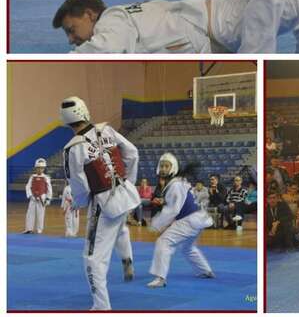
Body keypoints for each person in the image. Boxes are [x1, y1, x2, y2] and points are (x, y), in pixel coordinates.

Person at [61, 96, 138, 310]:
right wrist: (127, 182)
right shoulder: (107, 130)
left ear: (65, 120)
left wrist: (81, 202)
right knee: (120, 229)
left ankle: (101, 307)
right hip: (126, 193)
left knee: (92, 258)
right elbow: (132, 153)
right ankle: (127, 258)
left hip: (104, 202)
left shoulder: (73, 148)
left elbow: (79, 184)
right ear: (85, 111)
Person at [52, 0, 250, 53]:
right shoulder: (126, 19)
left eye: (71, 29)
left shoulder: (111, 18)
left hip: (221, 20)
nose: (71, 39)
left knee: (280, 2)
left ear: (89, 15)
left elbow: (108, 49)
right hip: (220, 27)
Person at [146, 153, 214, 288]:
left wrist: (156, 224)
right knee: (187, 248)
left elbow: (173, 210)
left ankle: (160, 278)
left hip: (189, 220)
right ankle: (205, 270)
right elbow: (178, 202)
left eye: (167, 166)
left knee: (163, 242)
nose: (164, 169)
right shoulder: (178, 182)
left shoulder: (175, 184)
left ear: (173, 168)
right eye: (162, 166)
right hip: (198, 218)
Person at [24, 158, 52, 234]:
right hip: (33, 198)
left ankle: (39, 229)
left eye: (42, 168)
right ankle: (29, 228)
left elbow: (49, 188)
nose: (40, 170)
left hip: (42, 198)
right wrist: (30, 196)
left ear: (44, 169)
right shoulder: (32, 177)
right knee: (30, 213)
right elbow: (28, 187)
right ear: (36, 168)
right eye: (38, 168)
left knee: (40, 214)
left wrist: (48, 198)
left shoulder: (46, 178)